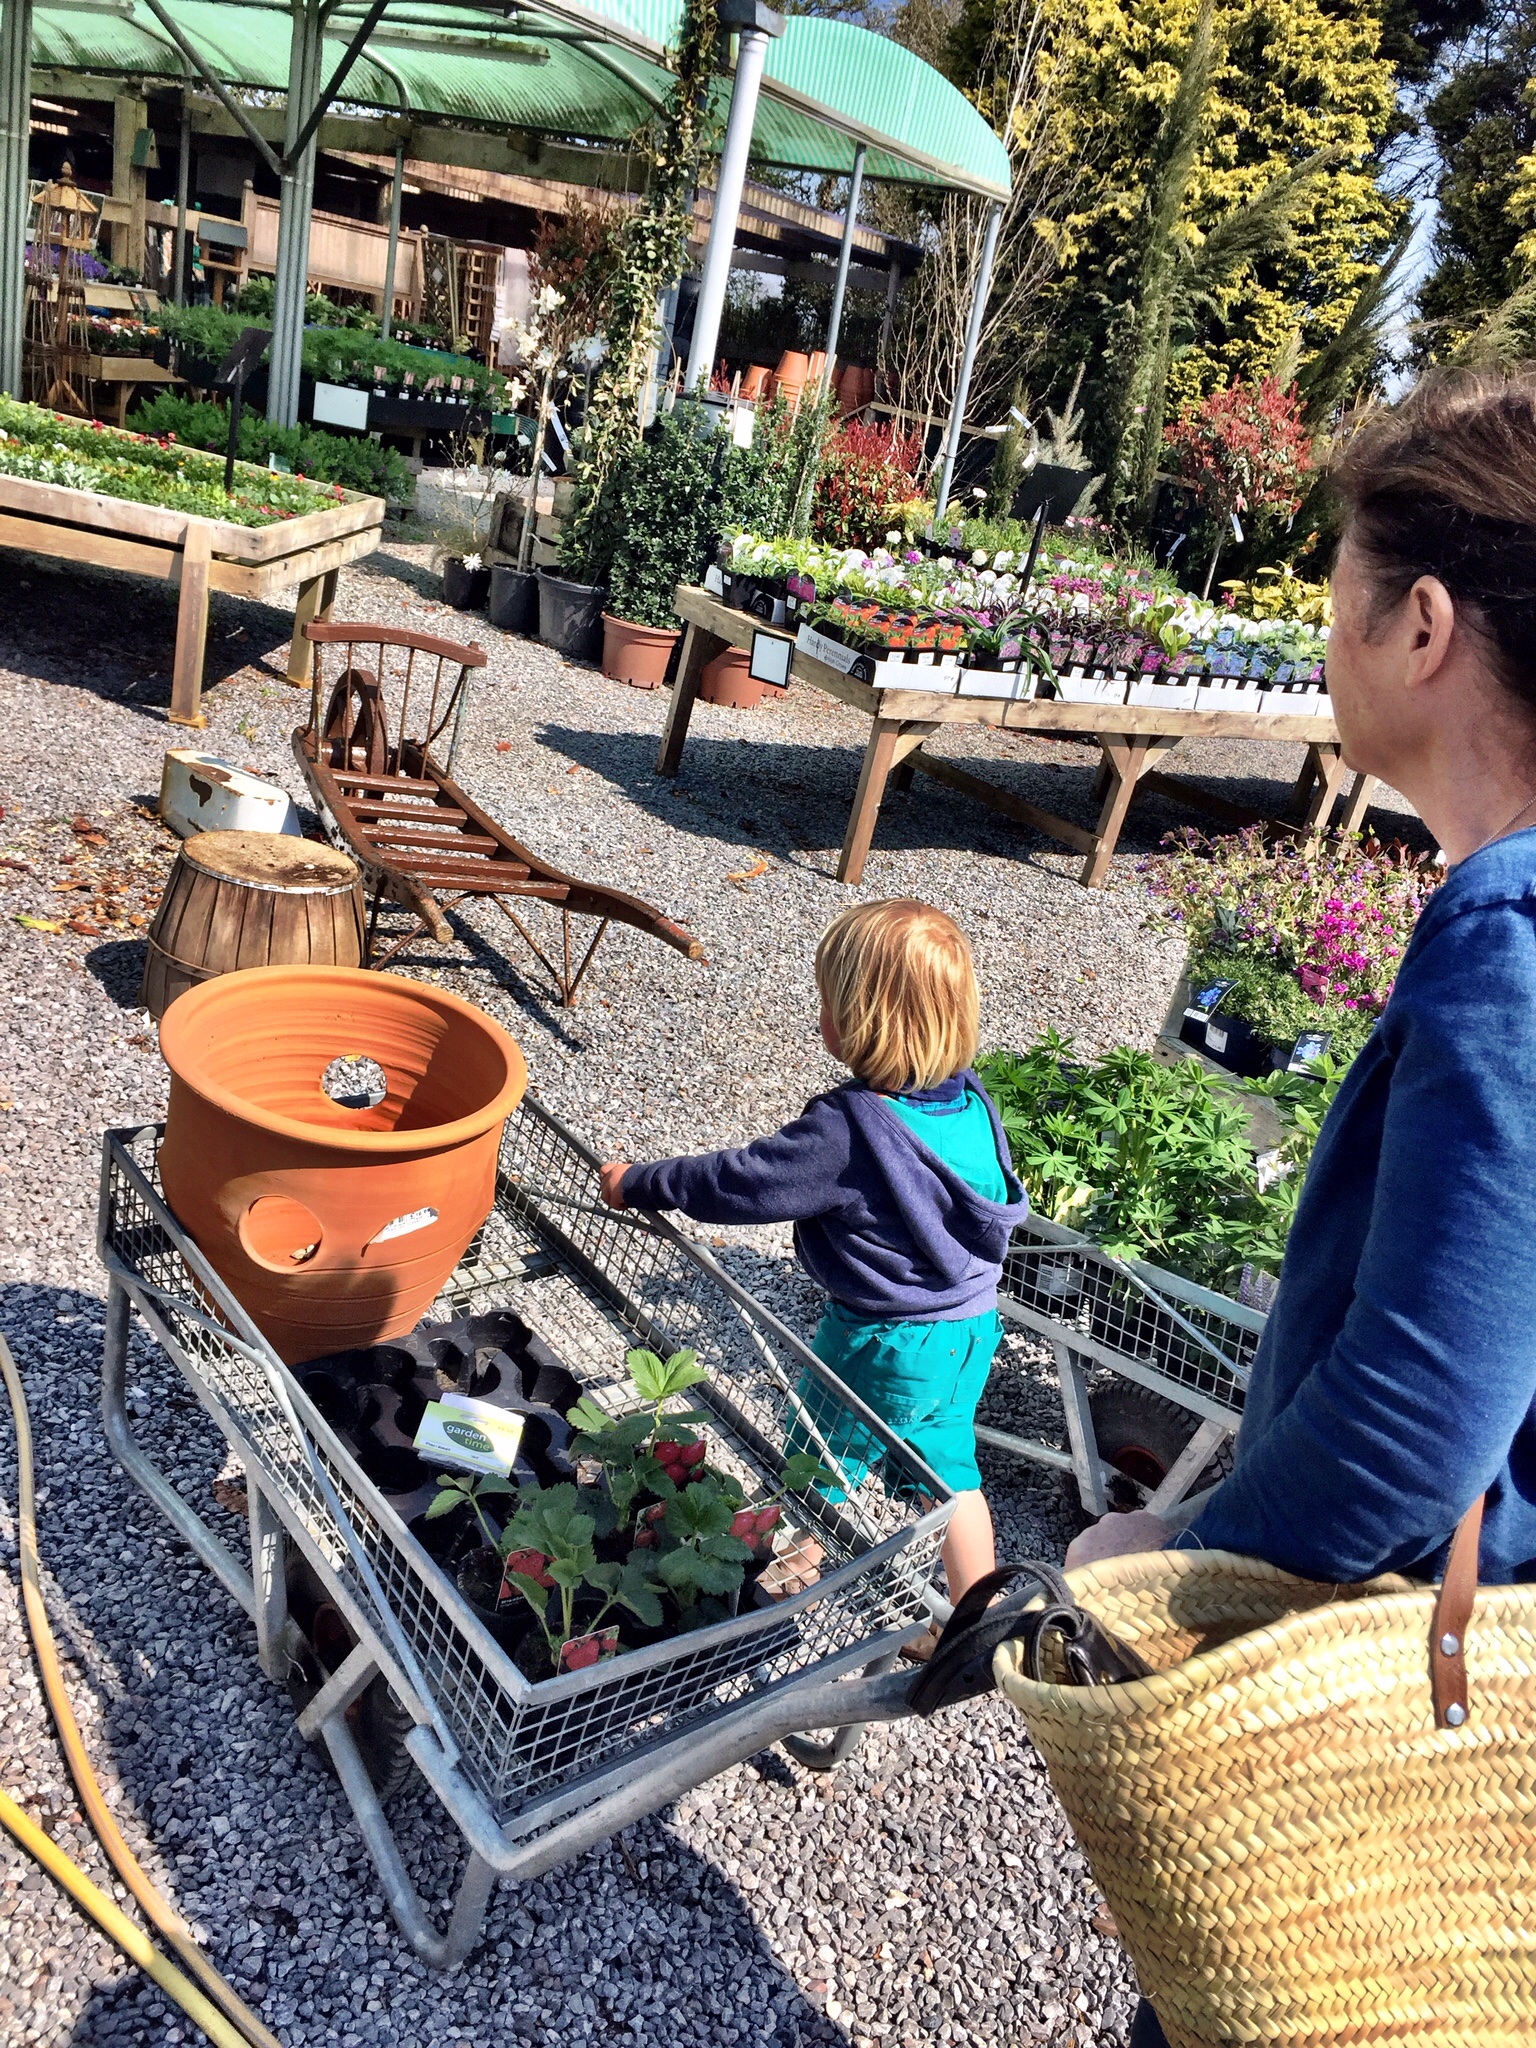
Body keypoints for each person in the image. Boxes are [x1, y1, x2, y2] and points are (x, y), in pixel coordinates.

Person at [1067, 365, 1536, 2046]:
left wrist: (1180, 1562)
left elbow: (1422, 1406)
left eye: (1337, 600)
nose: (1324, 640)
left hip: (1400, 1667)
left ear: (1423, 627)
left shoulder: (1509, 944)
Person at [599, 897, 1028, 1609]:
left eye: (829, 1001)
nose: (819, 1014)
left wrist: (638, 1183)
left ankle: (773, 1595)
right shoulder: (969, 1105)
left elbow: (743, 1183)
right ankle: (976, 1622)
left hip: (882, 1339)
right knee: (952, 1478)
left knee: (817, 1463)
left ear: (860, 1021)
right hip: (968, 1330)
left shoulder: (851, 1130)